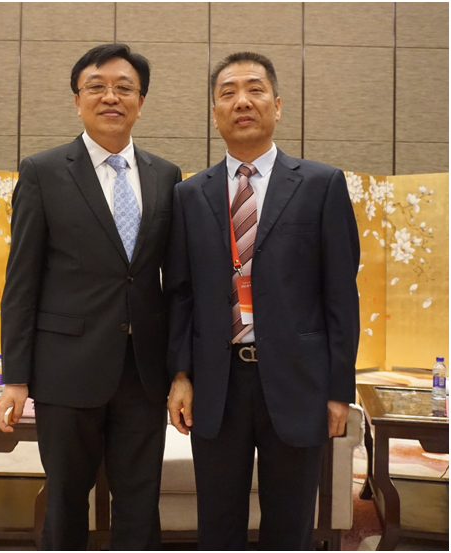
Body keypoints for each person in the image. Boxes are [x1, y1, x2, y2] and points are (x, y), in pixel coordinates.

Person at [165, 52, 360, 551]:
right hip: (217, 382)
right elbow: (181, 293)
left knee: (290, 526)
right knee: (218, 524)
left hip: (298, 381)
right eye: (228, 93)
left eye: (254, 89)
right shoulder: (190, 195)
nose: (242, 101)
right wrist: (181, 374)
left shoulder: (321, 184)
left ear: (277, 104)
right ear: (214, 113)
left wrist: (339, 390)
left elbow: (341, 295)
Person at [0, 43, 182, 551]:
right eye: (96, 87)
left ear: (141, 101)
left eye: (124, 88)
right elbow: (21, 281)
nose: (110, 97)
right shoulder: (42, 171)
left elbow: (174, 282)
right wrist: (16, 377)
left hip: (143, 371)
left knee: (140, 501)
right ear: (77, 100)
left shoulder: (166, 175)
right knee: (66, 500)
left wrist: (180, 368)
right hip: (66, 368)